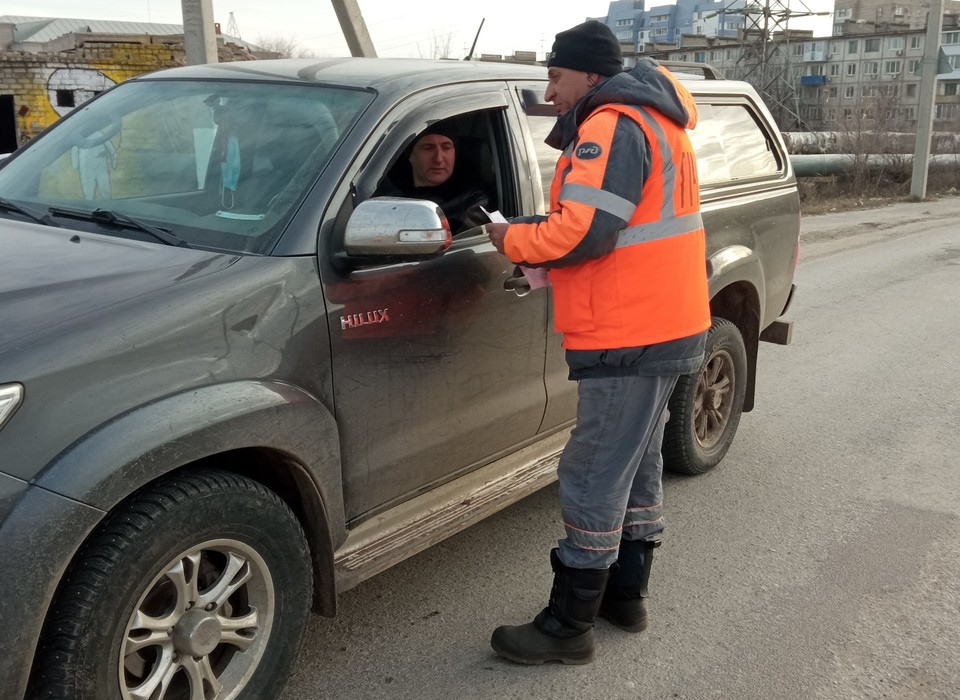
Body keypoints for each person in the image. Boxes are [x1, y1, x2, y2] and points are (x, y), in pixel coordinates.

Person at [485, 20, 711, 665]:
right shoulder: (655, 121)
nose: (549, 89)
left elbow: (583, 235)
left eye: (556, 75)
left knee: (591, 473)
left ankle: (568, 625)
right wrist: (539, 227)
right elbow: (609, 219)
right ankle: (624, 595)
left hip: (629, 330)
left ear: (588, 74)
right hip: (663, 321)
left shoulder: (611, 123)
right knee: (634, 465)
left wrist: (511, 240)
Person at [373, 120, 489, 233]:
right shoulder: (383, 191)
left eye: (446, 148)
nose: (438, 158)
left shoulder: (471, 203)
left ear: (455, 153)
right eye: (428, 148)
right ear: (410, 155)